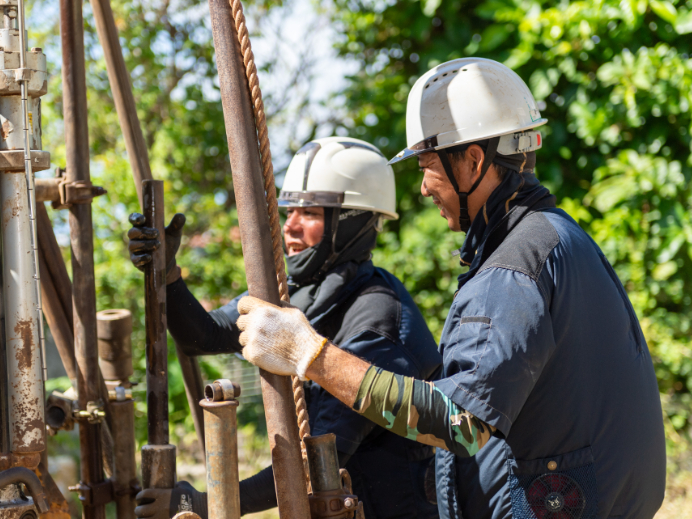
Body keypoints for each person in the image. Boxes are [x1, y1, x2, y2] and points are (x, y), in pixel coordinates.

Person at [235, 58, 667, 519]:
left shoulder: (514, 268)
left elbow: (457, 424)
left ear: (474, 163)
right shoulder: (560, 237)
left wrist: (310, 354)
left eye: (428, 166)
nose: (423, 188)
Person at [130, 137, 442, 519]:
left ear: (353, 221)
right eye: (290, 210)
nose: (289, 227)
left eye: (309, 212)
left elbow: (315, 464)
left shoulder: (378, 322)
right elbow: (206, 335)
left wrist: (203, 504)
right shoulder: (300, 294)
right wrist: (167, 276)